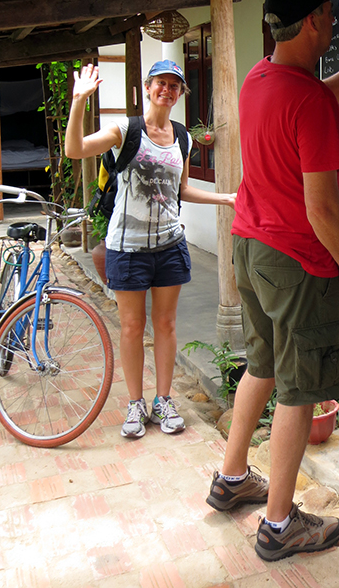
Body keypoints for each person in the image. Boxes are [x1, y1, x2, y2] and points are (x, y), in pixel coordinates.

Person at [205, 0, 339, 560]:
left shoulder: (263, 80)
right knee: (296, 390)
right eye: (331, 13)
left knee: (261, 366)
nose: (336, 20)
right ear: (313, 21)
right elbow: (320, 207)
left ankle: (233, 477)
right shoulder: (306, 99)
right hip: (295, 260)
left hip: (251, 247)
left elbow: (318, 99)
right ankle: (280, 523)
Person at [65, 59, 236, 439]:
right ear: (147, 87)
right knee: (131, 326)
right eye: (161, 82)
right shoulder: (126, 129)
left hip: (169, 245)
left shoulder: (183, 138)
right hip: (126, 248)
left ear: (179, 93)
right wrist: (79, 102)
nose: (167, 90)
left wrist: (225, 198)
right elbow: (75, 150)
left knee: (166, 324)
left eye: (174, 85)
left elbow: (181, 190)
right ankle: (134, 403)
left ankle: (163, 400)